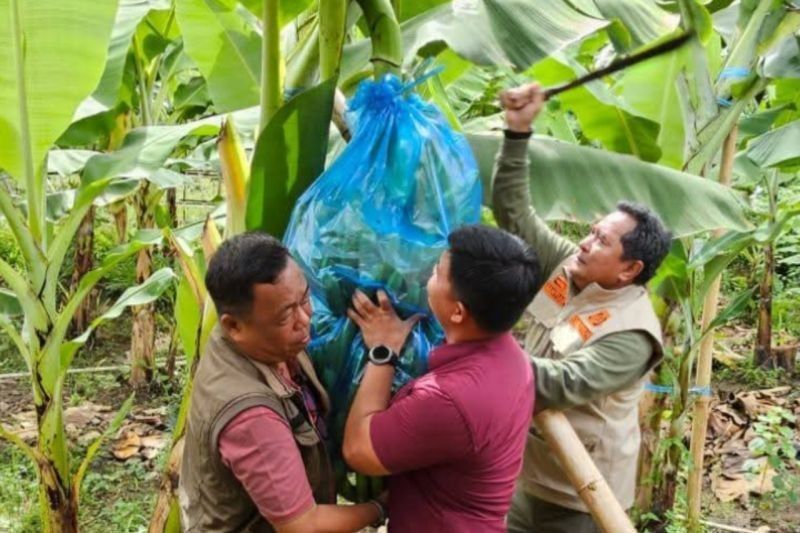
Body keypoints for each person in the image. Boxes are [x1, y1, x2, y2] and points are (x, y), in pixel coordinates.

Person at [494, 83, 672, 533]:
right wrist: (517, 133)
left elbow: (558, 383)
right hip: (526, 475)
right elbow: (514, 213)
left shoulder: (633, 333)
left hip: (581, 498)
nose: (585, 243)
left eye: (601, 241)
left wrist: (475, 347)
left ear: (630, 269)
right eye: (591, 231)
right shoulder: (569, 267)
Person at [179, 232, 386, 533]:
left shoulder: (263, 342)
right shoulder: (250, 417)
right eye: (285, 316)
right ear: (233, 326)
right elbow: (303, 526)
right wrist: (380, 507)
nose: (305, 319)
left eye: (304, 299)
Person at [342, 224, 540, 532]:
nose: (428, 277)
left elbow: (359, 450)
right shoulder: (513, 357)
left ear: (459, 312)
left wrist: (383, 351)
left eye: (436, 272)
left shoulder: (451, 400)